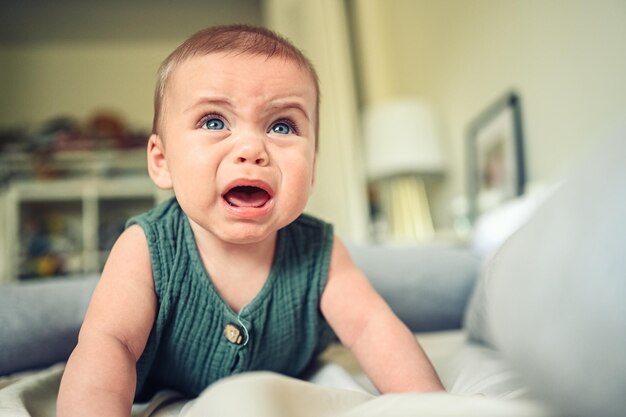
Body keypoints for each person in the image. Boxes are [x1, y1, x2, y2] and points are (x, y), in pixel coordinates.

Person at [57, 24, 443, 416]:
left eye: (282, 126)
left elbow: (371, 328)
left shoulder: (320, 252)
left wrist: (432, 405)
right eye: (214, 121)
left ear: (312, 169)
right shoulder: (147, 247)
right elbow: (109, 343)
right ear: (162, 161)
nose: (251, 149)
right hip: (160, 384)